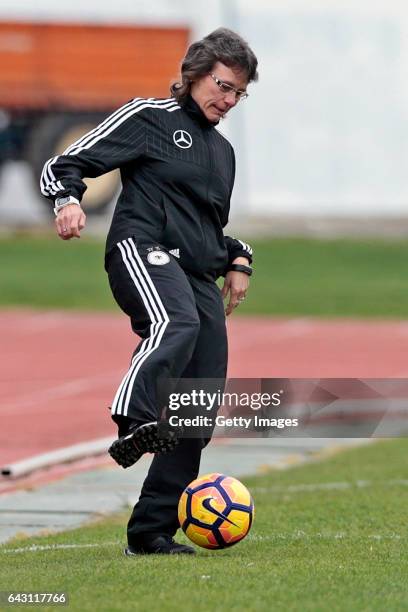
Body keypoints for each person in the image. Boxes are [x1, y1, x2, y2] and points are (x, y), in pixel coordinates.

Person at [40, 27, 258, 555]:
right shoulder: (148, 117)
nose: (227, 101)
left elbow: (207, 230)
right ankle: (134, 419)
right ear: (194, 74)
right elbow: (64, 163)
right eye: (222, 86)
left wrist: (238, 256)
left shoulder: (223, 153)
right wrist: (66, 199)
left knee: (198, 410)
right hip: (143, 249)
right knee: (174, 321)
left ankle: (152, 530)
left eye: (238, 93)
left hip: (195, 274)